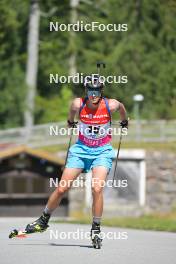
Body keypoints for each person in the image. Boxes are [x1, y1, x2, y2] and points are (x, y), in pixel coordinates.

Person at [24, 74, 128, 245]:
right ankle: (43, 220)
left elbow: (122, 108)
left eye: (96, 90)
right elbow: (71, 115)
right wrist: (70, 122)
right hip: (80, 150)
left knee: (96, 188)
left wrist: (124, 121)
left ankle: (95, 228)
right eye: (90, 90)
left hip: (102, 152)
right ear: (86, 90)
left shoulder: (111, 105)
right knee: (62, 188)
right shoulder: (77, 104)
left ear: (101, 91)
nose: (93, 94)